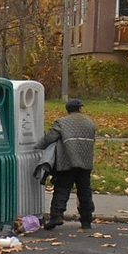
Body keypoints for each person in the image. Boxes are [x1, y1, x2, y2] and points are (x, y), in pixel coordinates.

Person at [37, 98, 97, 230]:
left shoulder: (62, 122)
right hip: (85, 162)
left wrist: (37, 146)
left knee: (62, 188)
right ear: (80, 108)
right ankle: (86, 220)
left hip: (67, 161)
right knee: (85, 191)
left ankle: (56, 216)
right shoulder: (89, 122)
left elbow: (50, 138)